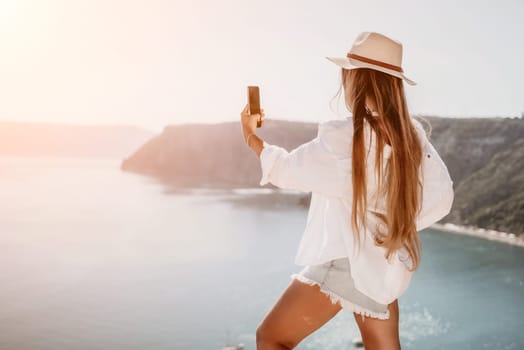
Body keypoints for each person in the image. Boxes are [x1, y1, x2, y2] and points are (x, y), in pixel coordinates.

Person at [239, 31, 454, 350]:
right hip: (386, 263)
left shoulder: (346, 136)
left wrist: (250, 134)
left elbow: (286, 169)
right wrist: (390, 226)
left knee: (271, 339)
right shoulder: (412, 136)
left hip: (347, 261)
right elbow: (441, 198)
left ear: (356, 79)